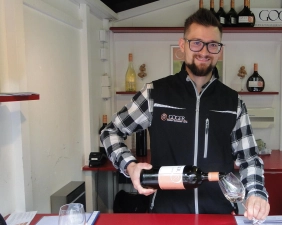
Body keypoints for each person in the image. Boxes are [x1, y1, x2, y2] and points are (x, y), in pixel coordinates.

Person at [100, 8, 270, 221]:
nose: (204, 51)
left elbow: (249, 159)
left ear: (220, 50)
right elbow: (110, 131)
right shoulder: (156, 94)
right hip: (166, 214)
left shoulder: (232, 102)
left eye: (213, 45)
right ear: (183, 46)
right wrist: (130, 166)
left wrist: (256, 192)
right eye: (196, 42)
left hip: (219, 215)